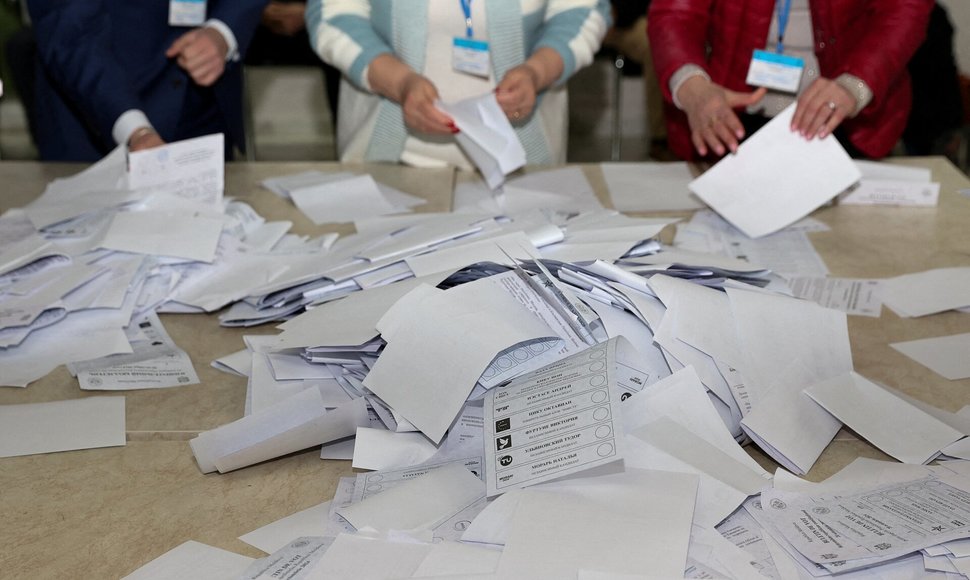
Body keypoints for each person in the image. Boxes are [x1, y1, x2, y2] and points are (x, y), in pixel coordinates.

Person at [305, 0, 612, 169]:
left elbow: (584, 13)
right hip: (388, 159)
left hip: (521, 160)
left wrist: (537, 72)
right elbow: (333, 15)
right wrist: (400, 83)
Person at [647, 0, 934, 161]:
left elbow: (904, 10)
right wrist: (693, 86)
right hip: (730, 116)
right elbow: (674, 14)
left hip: (846, 117)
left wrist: (856, 83)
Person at [28, 0, 268, 162]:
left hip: (205, 106)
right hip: (98, 116)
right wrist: (135, 130)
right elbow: (71, 31)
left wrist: (223, 30)